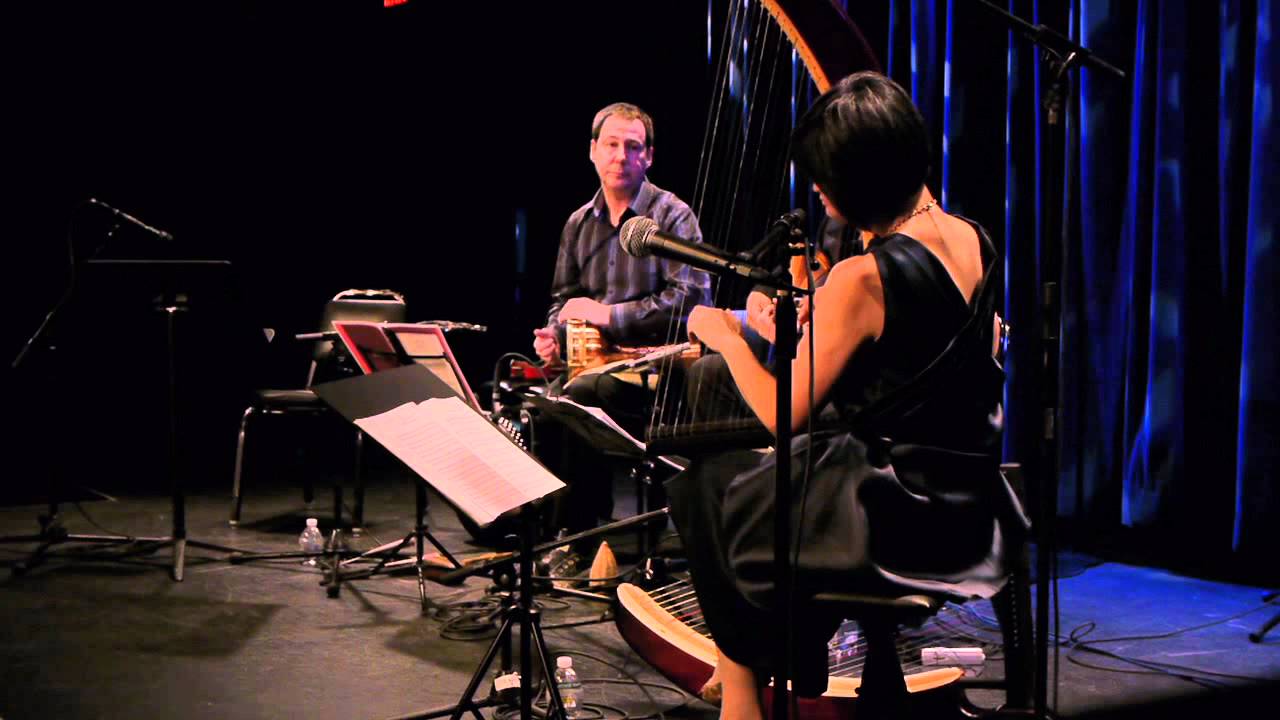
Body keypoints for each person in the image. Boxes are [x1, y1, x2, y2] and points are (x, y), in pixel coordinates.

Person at [666, 71, 1024, 719]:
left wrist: (728, 339)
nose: (819, 194)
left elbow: (782, 415)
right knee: (762, 481)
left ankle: (748, 690)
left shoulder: (861, 277)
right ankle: (772, 664)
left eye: (825, 182)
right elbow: (941, 353)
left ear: (860, 182)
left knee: (705, 486)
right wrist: (818, 324)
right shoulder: (974, 238)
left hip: (897, 514)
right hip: (968, 496)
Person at [532, 102, 711, 536]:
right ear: (592, 151)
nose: (620, 156)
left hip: (659, 366)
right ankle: (569, 532)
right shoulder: (578, 224)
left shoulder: (672, 216)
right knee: (543, 408)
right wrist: (554, 335)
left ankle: (582, 536)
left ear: (648, 156)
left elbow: (691, 298)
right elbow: (563, 299)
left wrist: (609, 316)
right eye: (611, 145)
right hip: (593, 363)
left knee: (583, 394)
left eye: (632, 147)